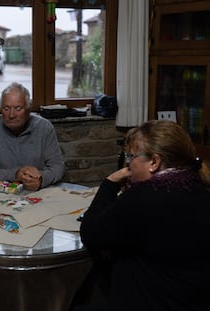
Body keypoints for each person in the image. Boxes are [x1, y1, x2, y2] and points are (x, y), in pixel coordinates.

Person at [76, 120, 210, 311]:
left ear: (154, 162)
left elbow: (90, 232)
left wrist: (110, 183)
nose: (129, 165)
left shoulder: (143, 197)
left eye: (131, 157)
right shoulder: (198, 186)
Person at [0, 82, 65, 191]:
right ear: (1, 109)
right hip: (1, 195)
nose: (11, 115)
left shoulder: (44, 128)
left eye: (18, 108)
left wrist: (41, 180)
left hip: (38, 193)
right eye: (6, 108)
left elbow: (58, 167)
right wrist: (16, 174)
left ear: (28, 109)